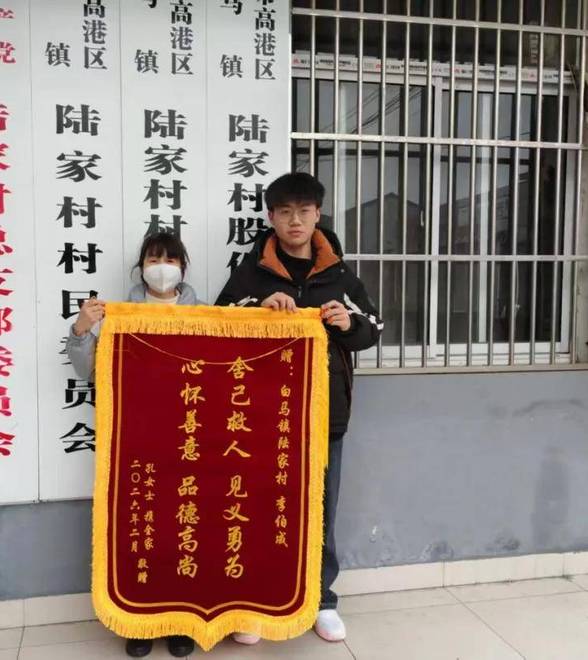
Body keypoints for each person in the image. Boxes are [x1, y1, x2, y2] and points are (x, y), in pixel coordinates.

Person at [216, 172, 383, 644]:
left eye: (304, 211)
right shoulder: (251, 274)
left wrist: (348, 323)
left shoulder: (340, 275)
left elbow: (374, 328)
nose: (295, 221)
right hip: (260, 418)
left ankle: (322, 600)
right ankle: (256, 602)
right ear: (271, 217)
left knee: (321, 509)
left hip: (326, 415)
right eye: (285, 212)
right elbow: (218, 326)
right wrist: (258, 310)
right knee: (257, 506)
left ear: (317, 215)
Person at [66, 231, 202, 659]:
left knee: (185, 529)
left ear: (183, 267)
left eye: (170, 259)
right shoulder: (120, 316)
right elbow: (90, 371)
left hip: (190, 440)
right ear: (141, 267)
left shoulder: (205, 315)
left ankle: (180, 621)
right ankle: (139, 620)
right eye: (153, 259)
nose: (162, 267)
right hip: (136, 441)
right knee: (140, 530)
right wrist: (82, 329)